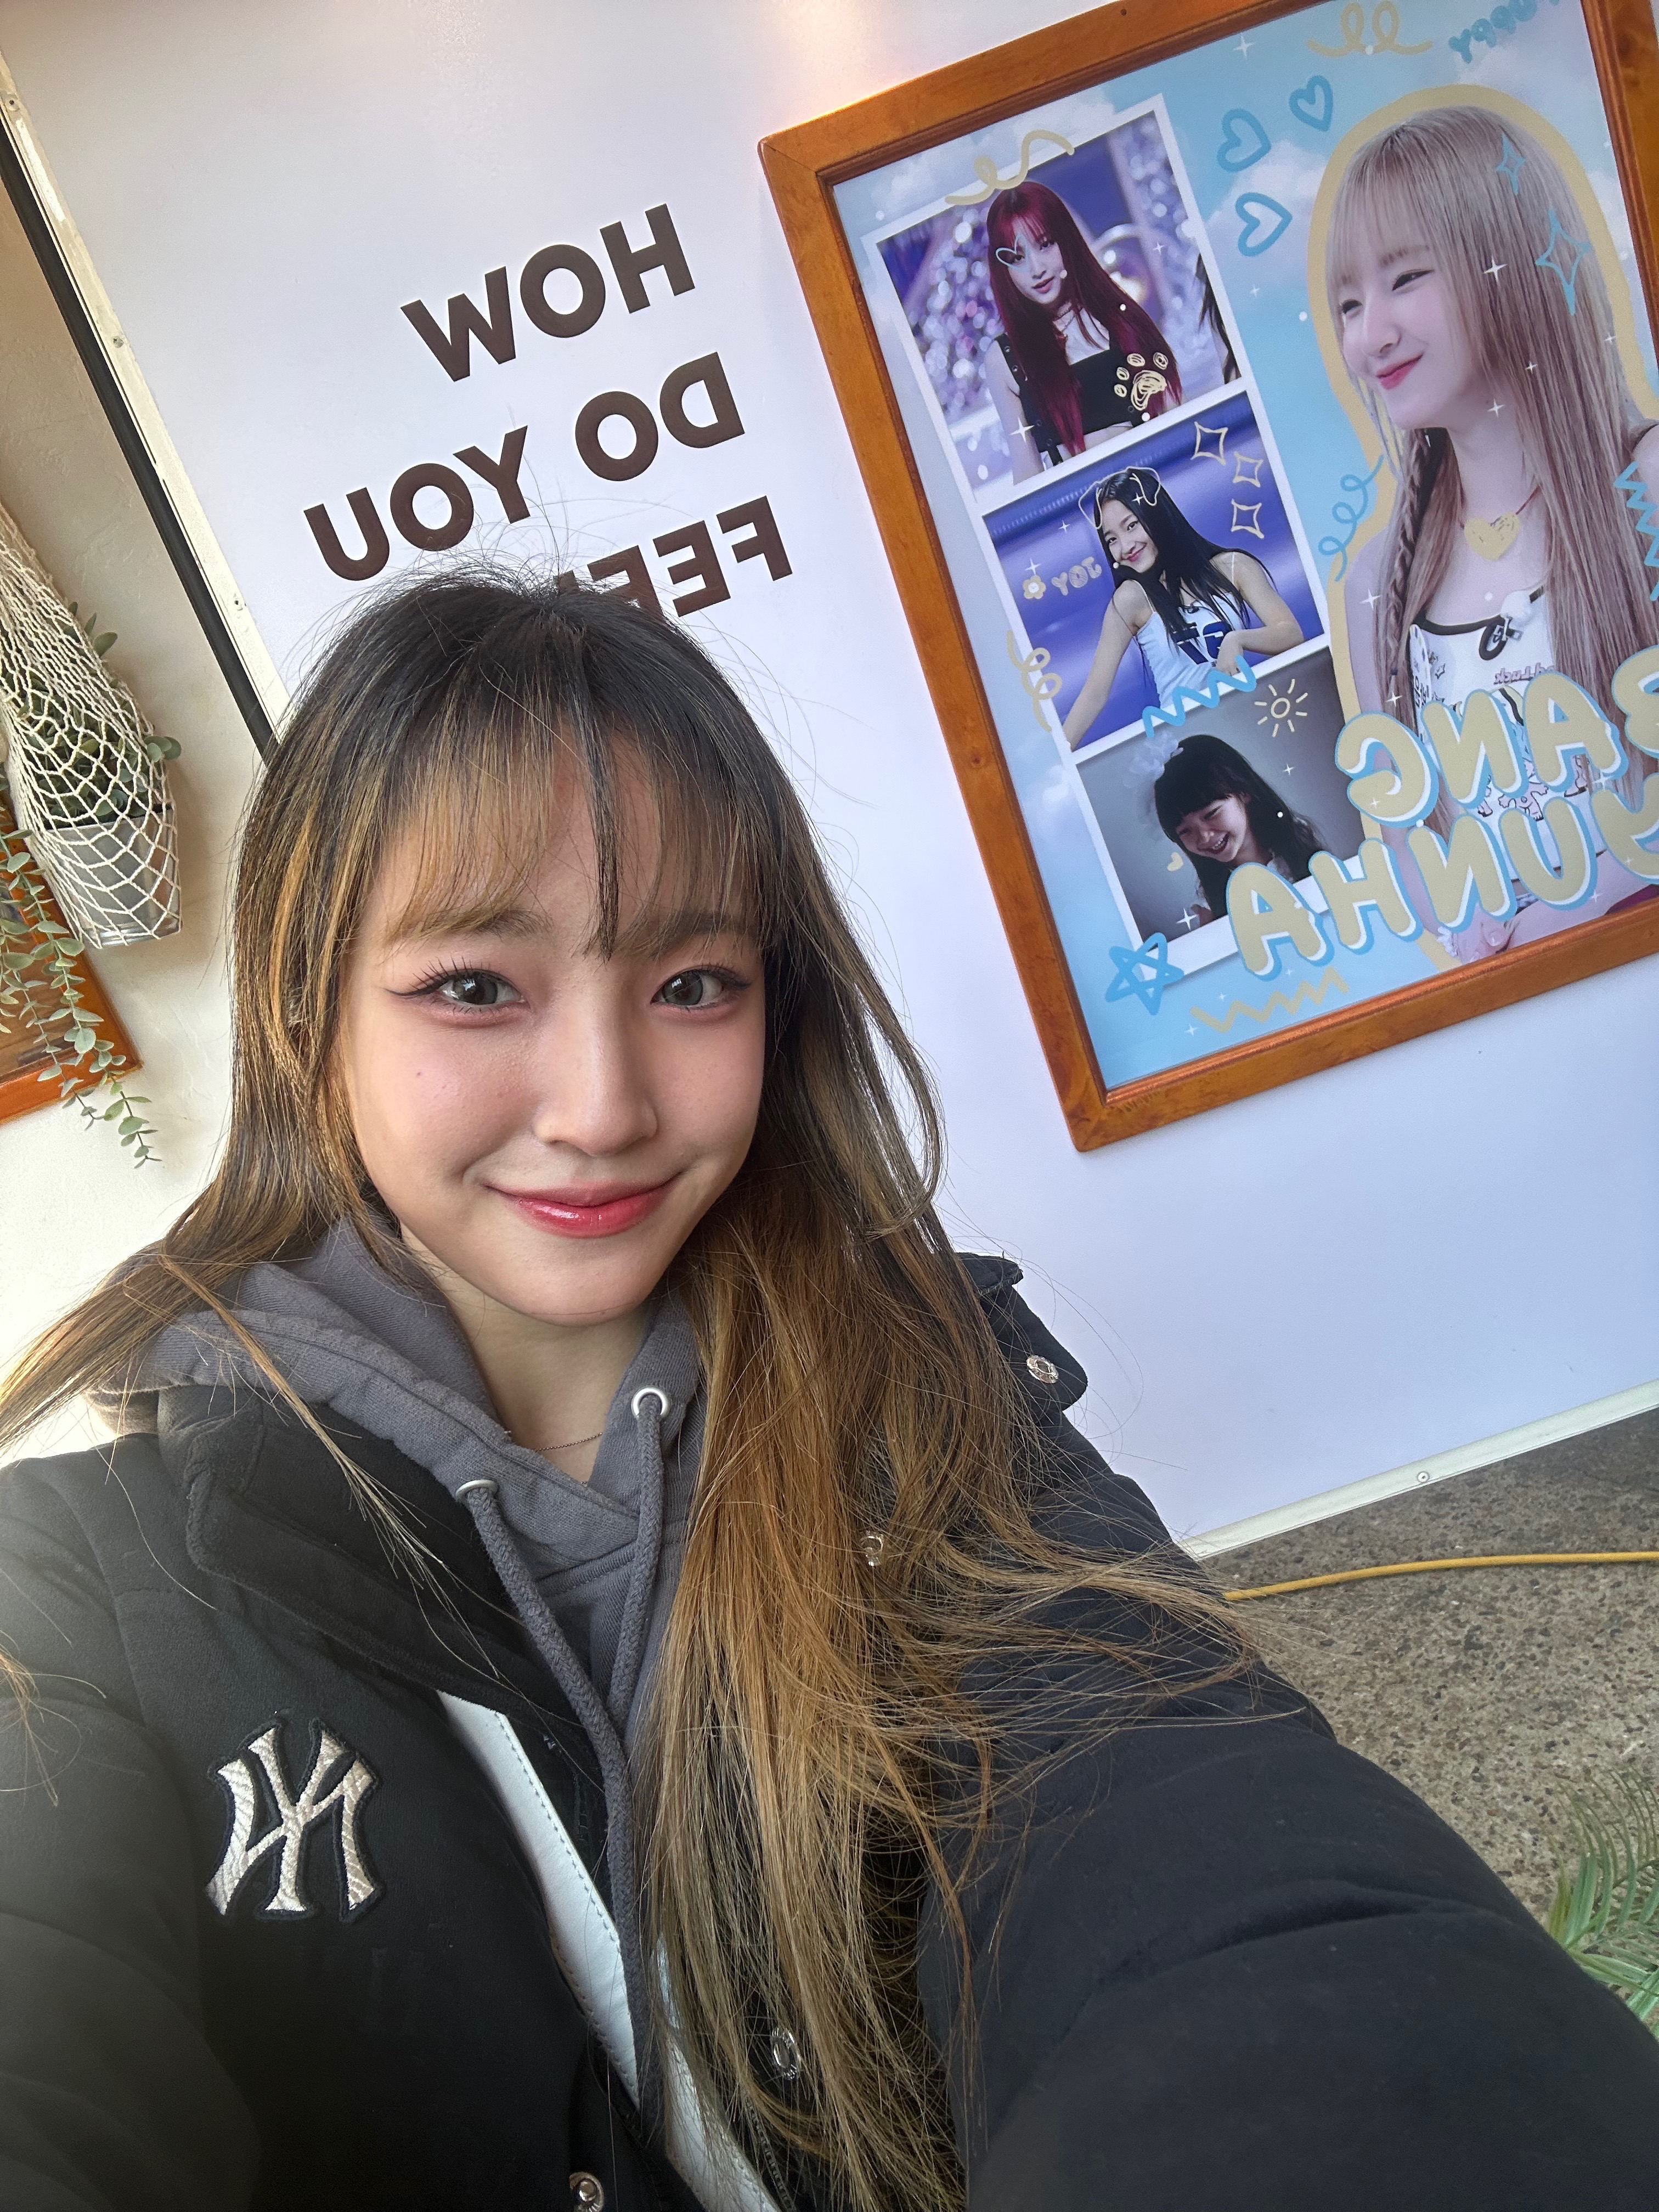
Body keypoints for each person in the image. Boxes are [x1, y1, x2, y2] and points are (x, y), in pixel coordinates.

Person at [3, 571, 1657, 2212]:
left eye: (693, 984)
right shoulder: (64, 1596)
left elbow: (1196, 1836)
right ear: (306, 1007)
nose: (604, 1106)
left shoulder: (920, 1399)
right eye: (476, 987)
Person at [1329, 101, 1659, 961]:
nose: (1371, 335)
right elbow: (1410, 845)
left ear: (1508, 257)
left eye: (1407, 278)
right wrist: (1474, 936)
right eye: (1350, 303)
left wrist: (1584, 900)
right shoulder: (1380, 585)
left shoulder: (1648, 483)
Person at [1062, 466, 1305, 749]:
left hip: (1248, 724)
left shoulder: (1234, 567)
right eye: (1112, 539)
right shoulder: (1130, 599)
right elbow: (1095, 693)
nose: (1125, 546)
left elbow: (1291, 633)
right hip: (1187, 744)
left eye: (1132, 525)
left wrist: (1237, 640)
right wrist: (1058, 761)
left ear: (1156, 515)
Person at [984, 182, 1181, 484]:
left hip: (1158, 485)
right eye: (1017, 258)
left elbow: (1178, 421)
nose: (1036, 269)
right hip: (1083, 507)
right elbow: (1027, 473)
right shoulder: (1004, 360)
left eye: (1045, 244)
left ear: (1067, 239)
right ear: (1004, 270)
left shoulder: (1121, 319)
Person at [1153, 731, 1324, 924]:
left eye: (1211, 814)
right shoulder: (1211, 903)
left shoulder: (1298, 850)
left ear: (1243, 792)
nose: (1204, 837)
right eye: (1185, 831)